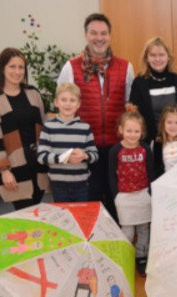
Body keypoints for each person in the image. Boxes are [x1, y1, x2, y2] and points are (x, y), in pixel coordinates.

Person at [58, 13, 135, 219]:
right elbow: (63, 105)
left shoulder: (126, 68)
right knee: (89, 199)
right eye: (94, 33)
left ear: (110, 36)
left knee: (116, 198)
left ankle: (115, 243)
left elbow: (130, 106)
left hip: (116, 147)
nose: (99, 38)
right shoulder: (70, 67)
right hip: (84, 147)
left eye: (103, 33)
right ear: (86, 35)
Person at [0, 47, 47, 210]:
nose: (17, 71)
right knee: (24, 214)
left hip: (37, 163)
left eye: (21, 67)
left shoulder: (33, 93)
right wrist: (4, 170)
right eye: (12, 66)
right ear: (2, 69)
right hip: (14, 166)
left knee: (37, 209)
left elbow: (45, 127)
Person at [109, 109, 154, 275]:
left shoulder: (145, 149)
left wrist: (150, 193)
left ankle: (142, 257)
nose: (133, 135)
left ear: (142, 132)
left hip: (143, 195)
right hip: (124, 197)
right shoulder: (115, 150)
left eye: (137, 131)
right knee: (127, 231)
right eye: (129, 131)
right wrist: (116, 195)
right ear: (121, 130)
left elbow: (150, 172)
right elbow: (111, 175)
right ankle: (125, 257)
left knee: (143, 229)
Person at [36, 83, 98, 202]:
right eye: (63, 99)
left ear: (78, 104)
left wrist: (84, 155)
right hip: (58, 184)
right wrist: (65, 158)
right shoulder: (48, 127)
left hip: (81, 184)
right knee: (63, 217)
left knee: (80, 217)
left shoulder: (85, 128)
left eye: (72, 100)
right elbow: (41, 157)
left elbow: (95, 155)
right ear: (56, 102)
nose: (68, 104)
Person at [128, 37, 177, 143]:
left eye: (161, 55)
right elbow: (134, 116)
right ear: (146, 58)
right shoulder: (139, 82)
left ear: (168, 57)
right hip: (148, 142)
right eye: (153, 55)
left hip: (176, 141)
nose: (157, 59)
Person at [153, 104, 177, 179]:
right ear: (163, 123)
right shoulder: (158, 142)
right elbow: (157, 167)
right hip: (163, 181)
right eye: (169, 122)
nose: (173, 126)